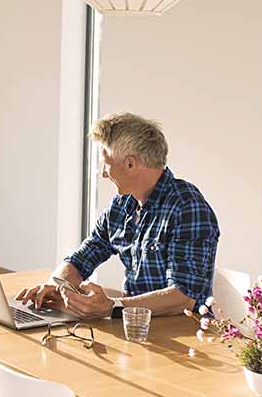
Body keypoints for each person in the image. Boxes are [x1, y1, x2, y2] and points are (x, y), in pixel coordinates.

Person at [17, 113, 220, 319]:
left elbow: (183, 297)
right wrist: (56, 285)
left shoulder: (188, 207)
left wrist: (111, 306)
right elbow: (83, 256)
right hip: (135, 326)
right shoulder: (123, 204)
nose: (104, 174)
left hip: (183, 334)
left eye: (106, 163)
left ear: (130, 164)